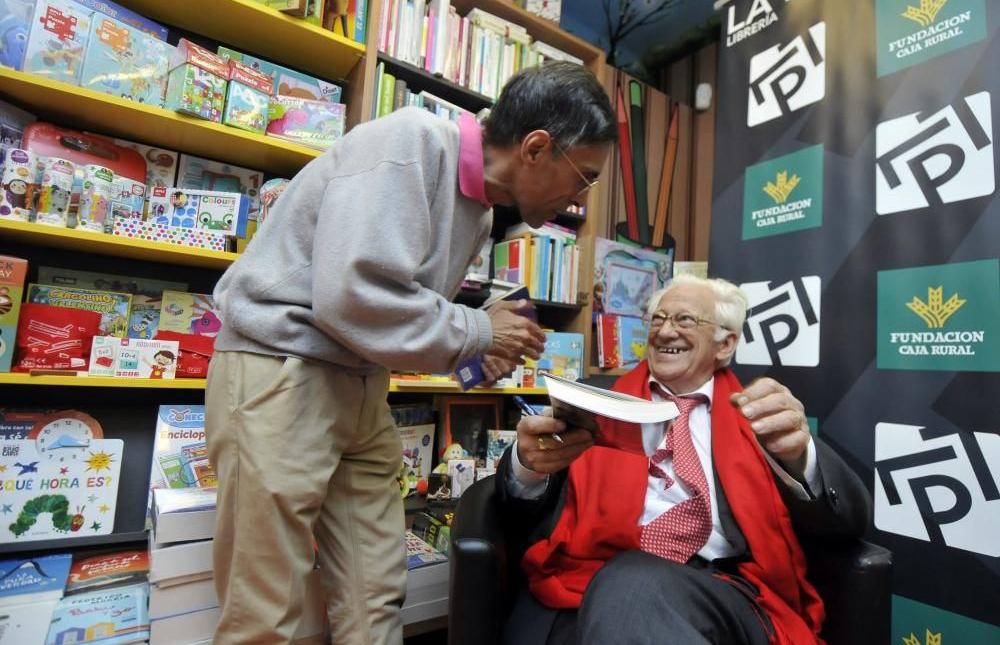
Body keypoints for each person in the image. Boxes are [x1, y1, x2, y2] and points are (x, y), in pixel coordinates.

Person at [204, 61, 617, 645]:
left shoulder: (475, 208)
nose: (579, 200)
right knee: (267, 607)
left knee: (375, 590)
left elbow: (397, 320)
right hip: (281, 369)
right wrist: (477, 332)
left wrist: (478, 356)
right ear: (536, 147)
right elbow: (353, 295)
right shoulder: (411, 141)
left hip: (360, 383)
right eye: (585, 177)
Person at [498, 274, 871, 645]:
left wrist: (799, 456)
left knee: (633, 583)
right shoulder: (593, 402)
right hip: (592, 574)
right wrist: (528, 466)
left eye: (685, 320)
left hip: (723, 589)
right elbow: (520, 511)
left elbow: (848, 522)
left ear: (725, 344)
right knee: (630, 581)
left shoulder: (761, 416)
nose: (664, 332)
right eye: (657, 319)